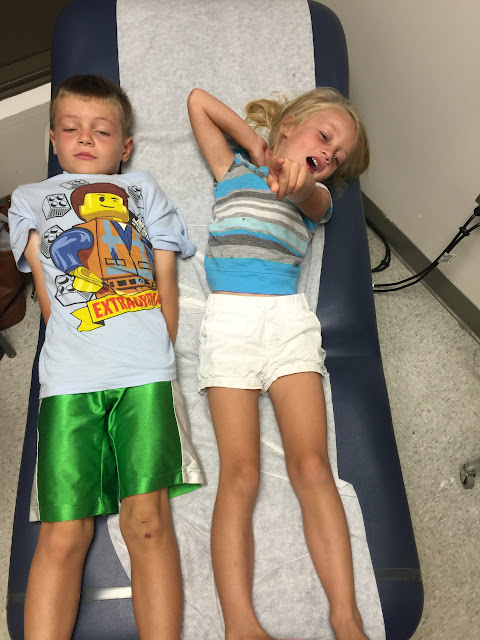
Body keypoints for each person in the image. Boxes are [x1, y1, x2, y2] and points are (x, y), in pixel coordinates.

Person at [8, 74, 204, 640]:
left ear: (126, 146)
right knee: (64, 533)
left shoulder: (144, 190)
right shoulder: (28, 199)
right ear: (53, 139)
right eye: (71, 128)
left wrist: (160, 351)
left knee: (148, 523)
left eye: (102, 129)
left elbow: (165, 280)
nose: (85, 138)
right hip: (69, 381)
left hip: (145, 375)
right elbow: (48, 296)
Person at [187, 87, 370, 640]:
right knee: (239, 474)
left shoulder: (318, 197)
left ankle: (346, 617)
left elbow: (312, 200)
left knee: (312, 467)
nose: (329, 153)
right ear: (289, 124)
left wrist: (303, 180)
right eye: (324, 136)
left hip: (288, 322)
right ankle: (240, 624)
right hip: (230, 324)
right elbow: (198, 102)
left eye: (337, 156)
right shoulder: (233, 172)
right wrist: (257, 147)